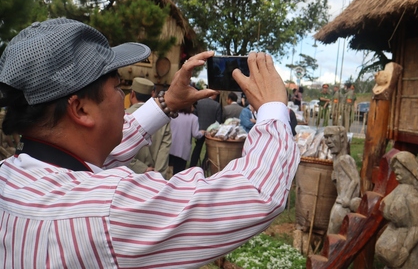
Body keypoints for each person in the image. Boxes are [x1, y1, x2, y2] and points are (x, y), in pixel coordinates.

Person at [0, 18, 298, 268]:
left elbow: (94, 149)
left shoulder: (10, 177)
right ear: (80, 109)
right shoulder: (109, 210)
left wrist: (167, 103)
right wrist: (273, 108)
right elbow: (255, 193)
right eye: (117, 86)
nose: (123, 97)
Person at [126, 77, 172, 178]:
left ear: (132, 94)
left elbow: (118, 150)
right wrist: (157, 175)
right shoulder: (163, 120)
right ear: (152, 94)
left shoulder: (124, 116)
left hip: (128, 176)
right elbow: (164, 151)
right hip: (153, 179)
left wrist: (141, 169)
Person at [190, 93, 223, 167]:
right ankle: (204, 166)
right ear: (213, 95)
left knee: (197, 148)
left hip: (200, 129)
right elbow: (218, 121)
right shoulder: (217, 105)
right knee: (209, 150)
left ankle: (192, 164)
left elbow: (195, 115)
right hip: (210, 132)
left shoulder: (199, 102)